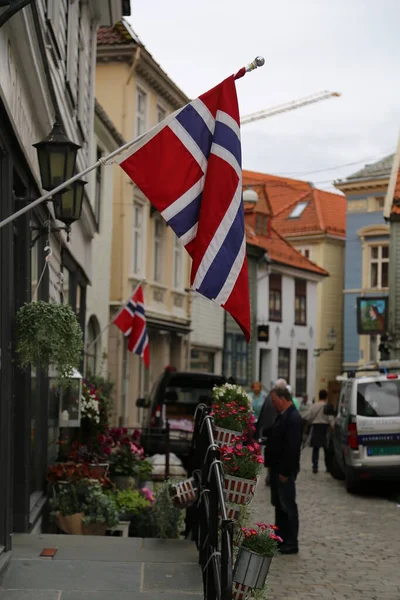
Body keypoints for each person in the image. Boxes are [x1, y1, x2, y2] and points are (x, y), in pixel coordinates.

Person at [264, 387, 303, 554]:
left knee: (287, 506)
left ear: (282, 399)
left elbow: (292, 448)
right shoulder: (283, 415)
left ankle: (291, 541)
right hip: (276, 468)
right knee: (279, 506)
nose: (273, 405)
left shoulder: (293, 417)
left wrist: (286, 472)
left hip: (284, 470)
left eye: (274, 401)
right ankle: (280, 537)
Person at [256, 378, 287, 486]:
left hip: (269, 431)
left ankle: (270, 475)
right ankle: (274, 475)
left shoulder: (269, 398)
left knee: (270, 453)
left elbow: (262, 414)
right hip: (278, 430)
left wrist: (260, 429)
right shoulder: (283, 399)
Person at [305, 389, 334, 474]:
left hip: (316, 427)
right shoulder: (328, 406)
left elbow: (309, 417)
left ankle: (315, 466)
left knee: (315, 448)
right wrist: (332, 426)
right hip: (325, 428)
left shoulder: (314, 406)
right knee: (326, 449)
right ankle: (328, 467)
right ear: (326, 397)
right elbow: (330, 419)